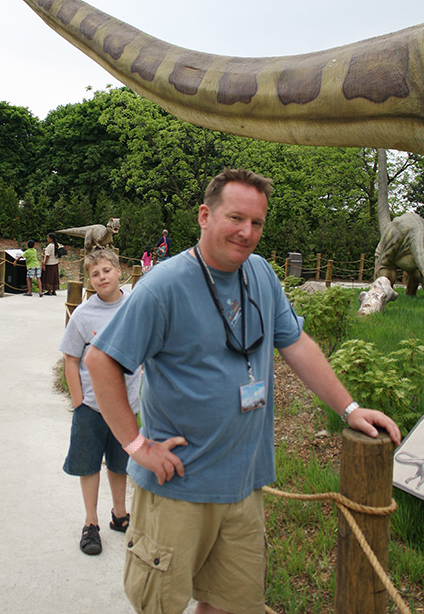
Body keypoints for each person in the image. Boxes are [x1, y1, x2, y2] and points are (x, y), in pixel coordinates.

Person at [84, 168, 401, 614]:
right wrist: (135, 444)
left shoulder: (262, 275)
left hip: (244, 484)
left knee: (231, 602)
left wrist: (348, 408)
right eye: (236, 218)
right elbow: (101, 361)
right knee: (159, 604)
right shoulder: (164, 286)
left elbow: (295, 343)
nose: (246, 232)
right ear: (204, 216)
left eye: (257, 222)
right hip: (178, 484)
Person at [60, 249, 142, 557]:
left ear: (119, 271)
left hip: (126, 407)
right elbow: (70, 359)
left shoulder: (135, 305)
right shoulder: (83, 315)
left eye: (107, 270)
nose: (102, 277)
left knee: (120, 464)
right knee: (88, 464)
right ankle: (90, 523)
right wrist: (79, 401)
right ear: (89, 280)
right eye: (95, 274)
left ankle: (120, 515)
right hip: (92, 408)